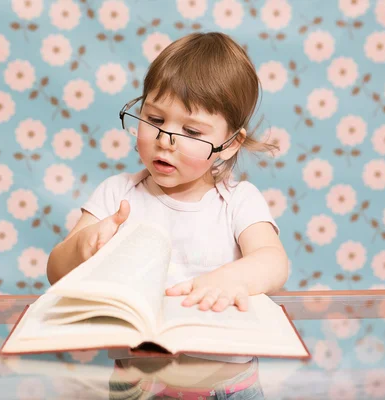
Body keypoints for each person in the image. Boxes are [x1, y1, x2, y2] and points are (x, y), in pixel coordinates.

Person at [47, 32, 289, 399]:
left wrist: (230, 278)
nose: (165, 139)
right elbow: (55, 270)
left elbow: (274, 261)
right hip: (138, 385)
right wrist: (83, 246)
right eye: (154, 118)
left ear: (230, 144)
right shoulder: (117, 194)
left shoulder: (238, 200)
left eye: (191, 130)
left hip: (224, 388)